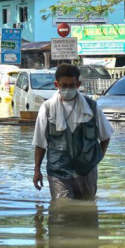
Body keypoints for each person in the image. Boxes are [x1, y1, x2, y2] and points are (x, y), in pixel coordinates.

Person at [32, 64, 113, 200]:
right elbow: (40, 144)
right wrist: (36, 171)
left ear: (78, 84)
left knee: (87, 211)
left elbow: (105, 136)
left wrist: (96, 159)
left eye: (72, 85)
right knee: (62, 210)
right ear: (56, 84)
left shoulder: (92, 107)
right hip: (58, 171)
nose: (68, 89)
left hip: (87, 171)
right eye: (64, 85)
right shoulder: (47, 109)